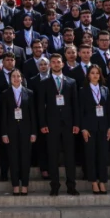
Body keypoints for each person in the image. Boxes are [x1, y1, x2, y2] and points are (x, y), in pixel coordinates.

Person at [38, 52, 79, 196]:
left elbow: (75, 105)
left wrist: (76, 123)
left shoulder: (71, 82)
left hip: (68, 124)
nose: (56, 64)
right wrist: (42, 123)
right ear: (50, 65)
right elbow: (40, 105)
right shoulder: (44, 83)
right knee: (53, 156)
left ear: (63, 64)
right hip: (51, 124)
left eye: (58, 62)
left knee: (70, 156)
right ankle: (54, 185)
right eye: (53, 62)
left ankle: (71, 185)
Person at [0, 68, 36, 195]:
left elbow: (33, 115)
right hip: (11, 130)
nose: (15, 78)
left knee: (25, 158)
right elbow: (3, 115)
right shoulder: (5, 93)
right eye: (13, 76)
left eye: (18, 76)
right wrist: (3, 133)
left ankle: (24, 184)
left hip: (26, 129)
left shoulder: (29, 93)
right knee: (13, 158)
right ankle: (15, 184)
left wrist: (33, 132)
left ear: (22, 78)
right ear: (10, 79)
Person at [79, 64, 110, 195]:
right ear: (88, 75)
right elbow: (81, 111)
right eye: (92, 73)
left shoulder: (105, 89)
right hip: (89, 128)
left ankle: (102, 181)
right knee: (91, 155)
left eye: (97, 73)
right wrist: (83, 128)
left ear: (100, 75)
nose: (95, 75)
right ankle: (93, 182)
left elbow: (109, 110)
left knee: (103, 156)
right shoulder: (83, 90)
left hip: (104, 127)